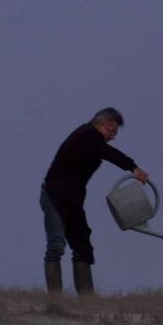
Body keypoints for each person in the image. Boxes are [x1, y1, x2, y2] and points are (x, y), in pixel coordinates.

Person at [39, 107, 148, 295]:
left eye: (115, 133)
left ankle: (87, 299)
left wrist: (132, 166)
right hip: (54, 195)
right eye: (110, 131)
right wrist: (133, 167)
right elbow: (107, 152)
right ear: (99, 125)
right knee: (56, 245)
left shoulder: (92, 139)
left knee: (82, 247)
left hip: (73, 200)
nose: (113, 136)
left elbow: (103, 150)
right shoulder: (86, 134)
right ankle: (55, 299)